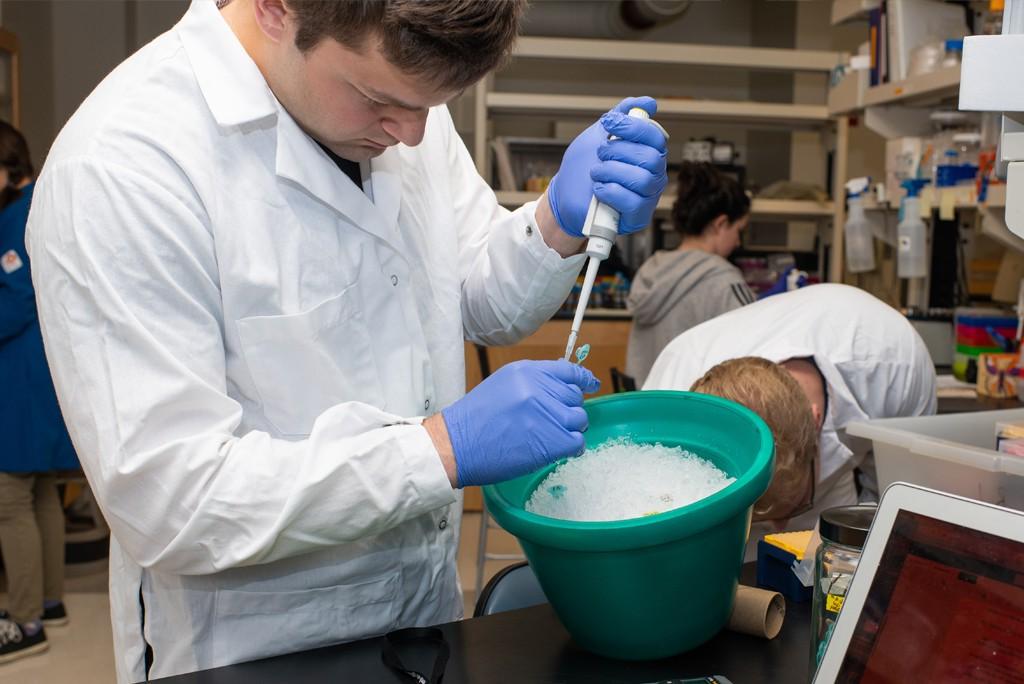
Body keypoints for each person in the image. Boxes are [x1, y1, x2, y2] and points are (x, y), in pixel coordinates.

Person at [25, 1, 668, 681]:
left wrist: (558, 221)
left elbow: (477, 295)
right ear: (276, 9)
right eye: (378, 100)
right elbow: (172, 499)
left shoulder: (402, 102)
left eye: (434, 106)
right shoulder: (125, 167)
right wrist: (440, 449)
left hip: (421, 622)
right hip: (254, 651)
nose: (414, 136)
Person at [644, 284, 937, 556]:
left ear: (815, 419)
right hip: (724, 515)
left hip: (831, 486)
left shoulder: (894, 362)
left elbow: (898, 504)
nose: (778, 527)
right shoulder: (671, 400)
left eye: (794, 506)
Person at [0, 122, 77, 664]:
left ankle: (24, 620)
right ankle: (49, 602)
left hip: (19, 378)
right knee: (42, 490)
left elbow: (15, 300)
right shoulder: (34, 203)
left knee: (8, 498)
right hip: (40, 373)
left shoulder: (14, 218)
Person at [625, 161, 754, 386]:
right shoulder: (724, 281)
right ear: (721, 224)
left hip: (644, 411)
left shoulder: (651, 270)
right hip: (692, 415)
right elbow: (752, 359)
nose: (738, 242)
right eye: (738, 230)